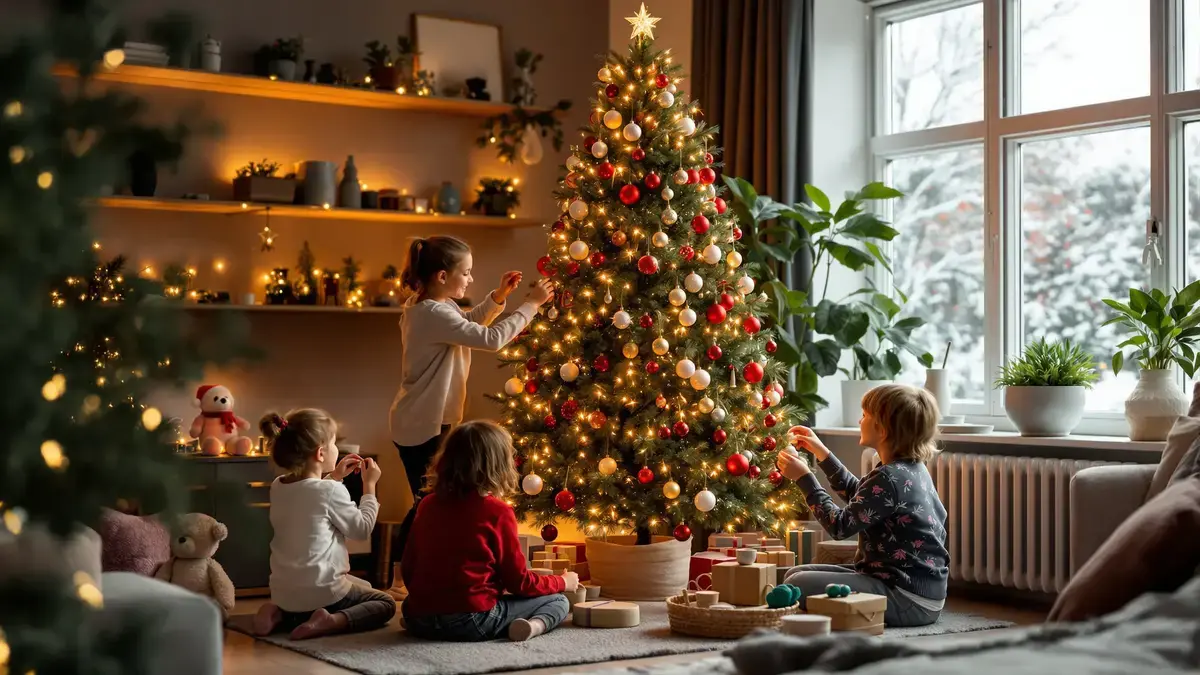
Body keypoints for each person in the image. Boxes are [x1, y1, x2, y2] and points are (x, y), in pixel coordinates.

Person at [387, 235, 554, 599]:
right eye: (466, 273)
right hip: (422, 422)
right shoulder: (431, 313)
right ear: (443, 275)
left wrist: (497, 298)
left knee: (426, 500)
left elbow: (468, 325)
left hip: (424, 418)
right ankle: (400, 580)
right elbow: (489, 339)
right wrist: (531, 306)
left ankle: (408, 575)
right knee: (424, 501)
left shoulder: (431, 306)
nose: (470, 280)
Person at [778, 384, 949, 627]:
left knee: (796, 583)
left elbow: (839, 526)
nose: (860, 420)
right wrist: (822, 453)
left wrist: (804, 478)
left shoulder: (890, 477)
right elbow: (861, 498)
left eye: (865, 415)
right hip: (909, 588)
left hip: (906, 597)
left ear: (883, 429)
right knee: (795, 574)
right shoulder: (908, 469)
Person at [401, 420, 576, 642]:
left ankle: (428, 626)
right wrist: (563, 581)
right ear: (499, 465)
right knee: (558, 601)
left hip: (417, 616)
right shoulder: (497, 511)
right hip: (469, 620)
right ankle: (533, 627)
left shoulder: (427, 504)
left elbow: (409, 567)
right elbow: (519, 583)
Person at [251, 409, 396, 639]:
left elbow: (311, 500)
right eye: (334, 443)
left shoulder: (279, 486)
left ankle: (277, 612)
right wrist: (369, 487)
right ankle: (330, 621)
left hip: (285, 595)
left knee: (361, 583)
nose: (337, 449)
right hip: (323, 594)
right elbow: (362, 529)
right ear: (320, 453)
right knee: (384, 602)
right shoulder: (329, 491)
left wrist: (335, 477)